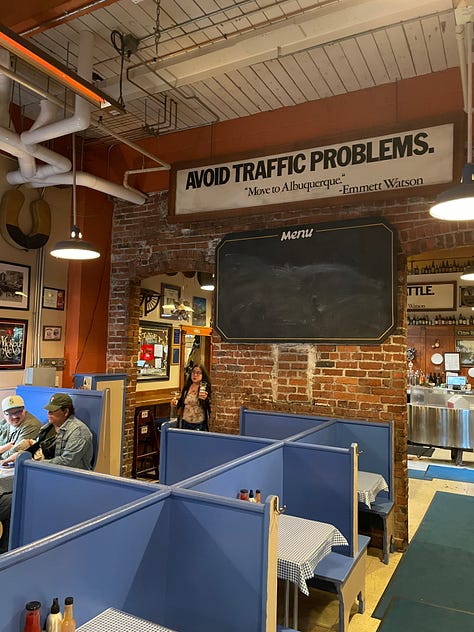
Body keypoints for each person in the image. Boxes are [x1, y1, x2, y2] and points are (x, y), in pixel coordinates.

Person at [0, 393, 94, 554]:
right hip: (44, 474)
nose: (48, 414)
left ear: (65, 412)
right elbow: (37, 446)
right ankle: (8, 548)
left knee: (14, 500)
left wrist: (32, 463)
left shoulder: (78, 432)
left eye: (53, 411)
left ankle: (10, 550)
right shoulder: (48, 427)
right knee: (7, 494)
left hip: (68, 480)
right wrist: (23, 453)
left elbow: (66, 463)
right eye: (48, 411)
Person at [0, 395, 42, 460]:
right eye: (10, 413)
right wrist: (3, 448)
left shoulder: (32, 425)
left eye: (18, 412)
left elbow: (15, 453)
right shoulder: (4, 423)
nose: (14, 416)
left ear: (24, 410)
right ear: (4, 414)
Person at [173, 364, 211, 431]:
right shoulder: (187, 386)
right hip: (185, 421)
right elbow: (182, 402)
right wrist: (176, 403)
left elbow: (209, 406)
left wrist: (206, 399)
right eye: (193, 372)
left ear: (203, 375)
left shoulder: (204, 388)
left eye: (198, 373)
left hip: (198, 423)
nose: (195, 375)